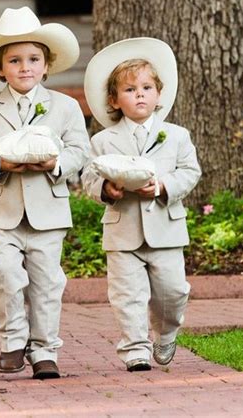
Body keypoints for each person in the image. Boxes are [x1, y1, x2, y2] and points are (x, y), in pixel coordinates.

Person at [0, 6, 90, 379]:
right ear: (0, 67)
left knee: (47, 280)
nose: (24, 67)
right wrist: (3, 165)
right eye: (14, 60)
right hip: (4, 209)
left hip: (48, 209)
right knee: (3, 272)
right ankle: (13, 340)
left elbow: (79, 151)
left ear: (46, 65)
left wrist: (55, 165)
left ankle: (45, 349)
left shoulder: (64, 107)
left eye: (33, 59)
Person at [81, 38, 201, 372]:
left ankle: (166, 333)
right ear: (114, 100)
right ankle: (134, 347)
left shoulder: (176, 136)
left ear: (159, 94)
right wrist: (107, 189)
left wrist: (162, 186)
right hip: (123, 230)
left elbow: (190, 172)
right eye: (130, 90)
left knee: (172, 292)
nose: (140, 95)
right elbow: (88, 178)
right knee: (126, 293)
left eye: (147, 87)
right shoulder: (103, 141)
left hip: (165, 227)